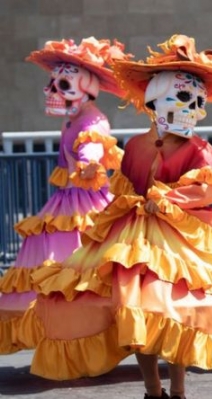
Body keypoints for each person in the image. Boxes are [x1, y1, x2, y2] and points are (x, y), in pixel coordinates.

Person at [29, 35, 212, 399]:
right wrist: (132, 200)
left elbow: (208, 190)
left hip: (182, 239)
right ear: (154, 101)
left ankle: (177, 391)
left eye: (197, 101)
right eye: (181, 98)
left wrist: (169, 198)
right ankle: (152, 390)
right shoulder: (134, 146)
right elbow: (125, 184)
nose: (190, 107)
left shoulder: (200, 149)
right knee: (136, 313)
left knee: (174, 313)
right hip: (133, 241)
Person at [0, 37, 128, 354]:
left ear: (84, 88)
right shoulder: (74, 117)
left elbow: (94, 146)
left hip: (87, 204)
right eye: (52, 83)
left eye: (62, 84)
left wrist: (90, 162)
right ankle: (66, 334)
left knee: (79, 270)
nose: (51, 91)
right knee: (57, 269)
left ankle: (88, 337)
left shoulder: (92, 119)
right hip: (68, 201)